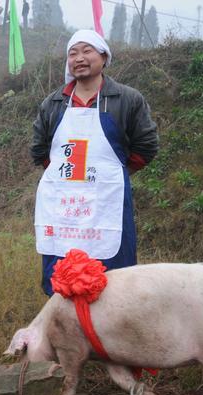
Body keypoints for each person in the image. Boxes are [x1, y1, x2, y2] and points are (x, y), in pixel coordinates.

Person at [31, 30, 159, 296]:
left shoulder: (126, 99)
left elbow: (146, 146)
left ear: (104, 56)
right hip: (63, 205)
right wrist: (63, 179)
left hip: (107, 201)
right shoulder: (53, 103)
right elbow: (40, 149)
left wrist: (115, 174)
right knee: (62, 273)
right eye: (73, 53)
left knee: (112, 279)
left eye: (87, 51)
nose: (79, 58)